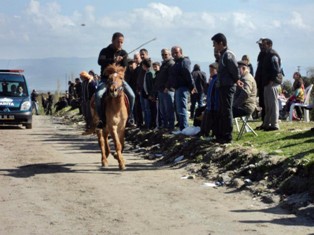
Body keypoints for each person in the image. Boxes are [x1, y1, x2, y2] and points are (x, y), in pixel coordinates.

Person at [96, 32, 135, 129]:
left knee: (132, 95)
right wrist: (113, 60)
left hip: (119, 80)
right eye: (118, 42)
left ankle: (130, 117)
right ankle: (102, 119)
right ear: (112, 41)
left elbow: (124, 67)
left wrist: (122, 61)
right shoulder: (104, 51)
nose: (120, 44)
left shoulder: (124, 53)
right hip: (106, 79)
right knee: (98, 95)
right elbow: (100, 62)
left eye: (122, 42)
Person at [211, 33, 242, 143]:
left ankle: (228, 136)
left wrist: (236, 80)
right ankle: (221, 134)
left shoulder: (228, 55)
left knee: (227, 111)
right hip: (222, 86)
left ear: (221, 43)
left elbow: (234, 70)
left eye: (215, 44)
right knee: (222, 111)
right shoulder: (223, 55)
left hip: (227, 86)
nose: (214, 46)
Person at [169, 46, 196, 131]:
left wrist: (192, 86)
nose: (174, 54)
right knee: (178, 109)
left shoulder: (184, 62)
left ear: (181, 52)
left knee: (182, 109)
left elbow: (188, 75)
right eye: (173, 53)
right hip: (177, 88)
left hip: (183, 87)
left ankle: (184, 128)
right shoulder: (177, 62)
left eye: (176, 52)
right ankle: (182, 128)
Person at [259, 38, 283, 131]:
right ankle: (266, 123)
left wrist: (272, 80)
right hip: (267, 82)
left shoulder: (273, 55)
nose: (262, 46)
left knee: (273, 104)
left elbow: (276, 69)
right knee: (268, 105)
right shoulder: (266, 55)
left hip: (272, 83)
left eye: (264, 44)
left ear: (269, 45)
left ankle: (274, 124)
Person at [154, 48, 175, 131]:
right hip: (161, 90)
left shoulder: (171, 64)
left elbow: (171, 77)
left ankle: (171, 126)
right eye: (162, 54)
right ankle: (165, 125)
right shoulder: (164, 64)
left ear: (169, 54)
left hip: (168, 90)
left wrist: (167, 87)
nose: (164, 56)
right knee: (163, 110)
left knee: (169, 109)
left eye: (165, 54)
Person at [200, 62, 219, 137]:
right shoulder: (212, 80)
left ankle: (210, 134)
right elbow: (208, 92)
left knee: (212, 122)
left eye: (212, 70)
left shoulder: (217, 80)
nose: (210, 72)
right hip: (210, 105)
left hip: (214, 106)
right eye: (210, 70)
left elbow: (215, 94)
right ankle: (204, 133)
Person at [254, 38, 267, 126]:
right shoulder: (261, 54)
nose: (260, 46)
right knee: (262, 102)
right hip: (260, 82)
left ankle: (266, 121)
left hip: (264, 82)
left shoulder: (267, 54)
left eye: (261, 44)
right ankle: (264, 121)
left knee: (265, 103)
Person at [141, 58, 156, 129]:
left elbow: (151, 85)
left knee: (149, 110)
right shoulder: (147, 72)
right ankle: (147, 124)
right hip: (146, 94)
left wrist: (151, 95)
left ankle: (150, 125)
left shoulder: (150, 73)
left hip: (149, 95)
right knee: (146, 109)